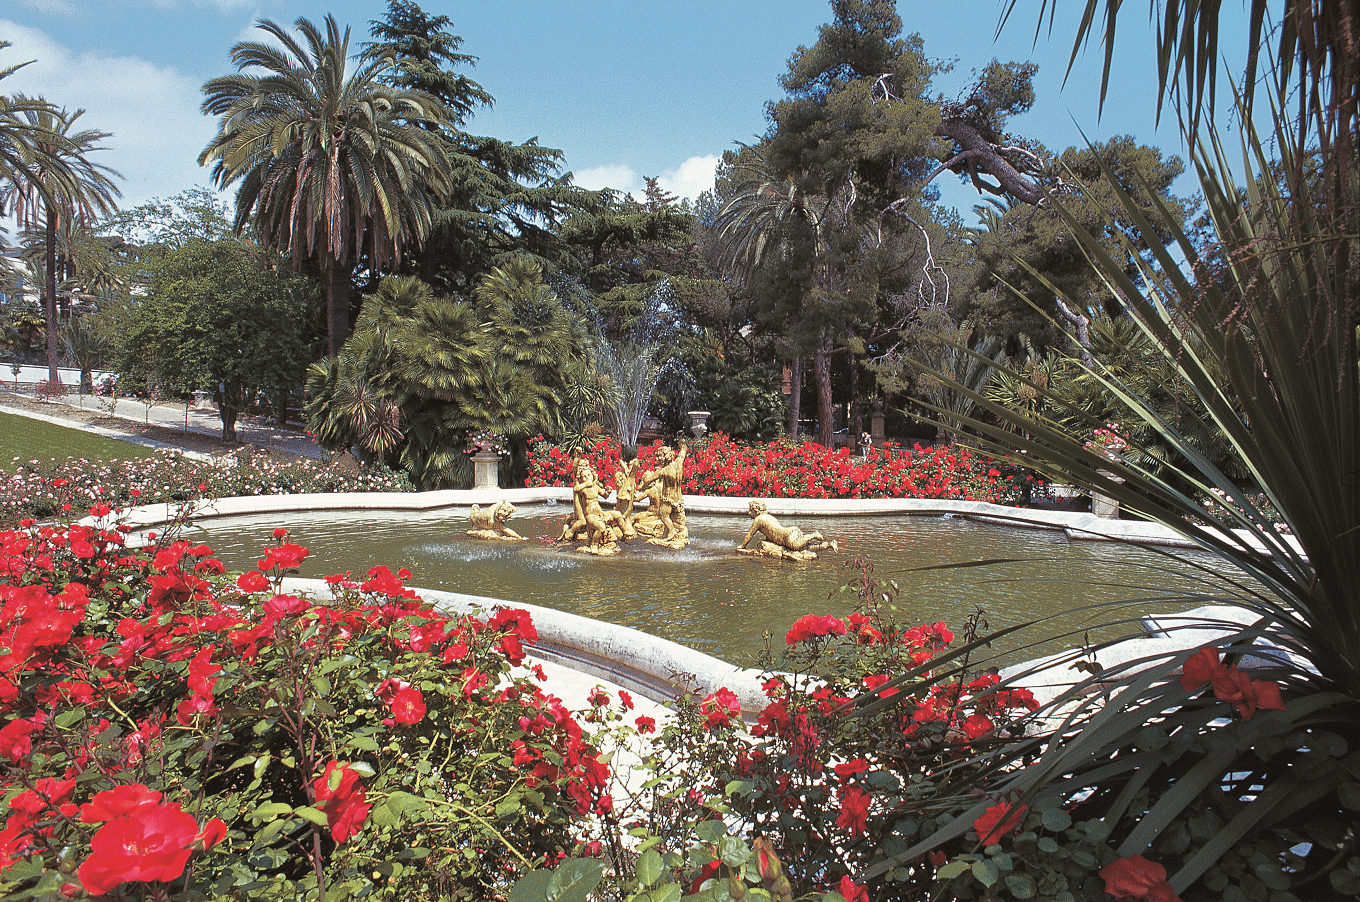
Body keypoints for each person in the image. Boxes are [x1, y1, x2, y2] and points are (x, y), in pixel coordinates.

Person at [738, 499, 836, 553]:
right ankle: (828, 545)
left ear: (755, 510)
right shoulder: (768, 516)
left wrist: (742, 546)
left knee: (797, 547)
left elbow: (749, 535)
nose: (749, 512)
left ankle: (813, 535)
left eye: (750, 510)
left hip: (787, 537)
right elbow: (771, 532)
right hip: (791, 531)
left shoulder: (758, 519)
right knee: (806, 549)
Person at [640, 444, 688, 543]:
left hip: (668, 499)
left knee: (663, 515)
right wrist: (682, 445)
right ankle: (674, 533)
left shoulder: (664, 471)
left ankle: (671, 532)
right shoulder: (678, 464)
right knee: (673, 517)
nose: (658, 459)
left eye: (659, 456)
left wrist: (641, 485)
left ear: (665, 457)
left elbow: (648, 481)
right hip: (678, 498)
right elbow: (683, 453)